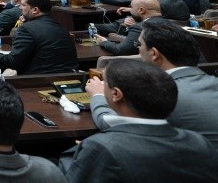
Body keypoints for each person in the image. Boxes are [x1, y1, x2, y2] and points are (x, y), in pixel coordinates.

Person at [58, 58, 218, 183]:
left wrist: (88, 151)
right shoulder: (201, 143)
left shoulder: (102, 149)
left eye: (105, 83)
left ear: (116, 94)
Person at [89, 19, 218, 146]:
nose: (138, 49)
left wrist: (98, 95)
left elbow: (110, 122)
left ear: (154, 53)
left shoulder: (163, 95)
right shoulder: (213, 81)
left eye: (139, 45)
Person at [0, 0, 78, 74]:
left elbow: (13, 61)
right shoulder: (60, 26)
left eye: (23, 5)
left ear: (35, 10)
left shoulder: (27, 29)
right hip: (71, 76)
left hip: (40, 80)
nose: (20, 8)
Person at [93, 0, 161, 55]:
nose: (130, 10)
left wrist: (104, 42)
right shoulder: (166, 22)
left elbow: (121, 50)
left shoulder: (139, 28)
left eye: (131, 7)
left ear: (141, 10)